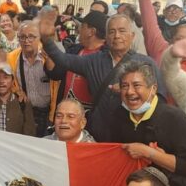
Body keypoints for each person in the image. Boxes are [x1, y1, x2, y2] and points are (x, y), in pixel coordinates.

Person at [42, 12, 165, 142]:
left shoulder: (146, 63)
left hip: (133, 134)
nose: (117, 36)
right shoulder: (93, 61)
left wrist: (131, 91)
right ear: (106, 37)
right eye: (112, 32)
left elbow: (160, 99)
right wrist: (46, 39)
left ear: (132, 36)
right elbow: (64, 60)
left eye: (122, 31)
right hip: (99, 133)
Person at [110, 61, 186, 186]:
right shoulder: (119, 115)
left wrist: (148, 152)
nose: (130, 92)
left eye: (137, 85)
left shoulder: (173, 117)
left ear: (153, 89)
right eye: (124, 86)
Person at [7, 21, 54, 137]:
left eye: (31, 36)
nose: (26, 41)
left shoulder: (49, 56)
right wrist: (16, 91)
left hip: (50, 112)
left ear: (39, 38)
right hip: (26, 112)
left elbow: (59, 80)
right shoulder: (11, 58)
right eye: (22, 37)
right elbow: (10, 82)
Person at [55, 10, 107, 112]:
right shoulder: (74, 50)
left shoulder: (106, 57)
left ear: (91, 32)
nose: (79, 30)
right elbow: (56, 74)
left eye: (82, 26)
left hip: (90, 118)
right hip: (66, 113)